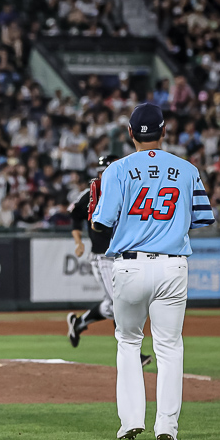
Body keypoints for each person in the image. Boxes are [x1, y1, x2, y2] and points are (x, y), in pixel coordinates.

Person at [92, 103, 214, 440]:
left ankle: (130, 420)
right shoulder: (187, 169)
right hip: (172, 265)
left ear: (130, 133)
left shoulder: (116, 170)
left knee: (128, 342)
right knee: (169, 347)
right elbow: (203, 218)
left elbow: (101, 223)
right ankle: (166, 427)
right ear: (163, 132)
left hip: (129, 265)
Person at [66, 154, 152, 368]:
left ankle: (78, 323)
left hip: (123, 256)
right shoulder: (90, 194)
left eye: (108, 169)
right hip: (102, 257)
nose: (104, 173)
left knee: (112, 305)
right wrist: (78, 242)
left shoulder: (128, 192)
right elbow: (74, 216)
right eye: (102, 170)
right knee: (120, 303)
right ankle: (133, 354)